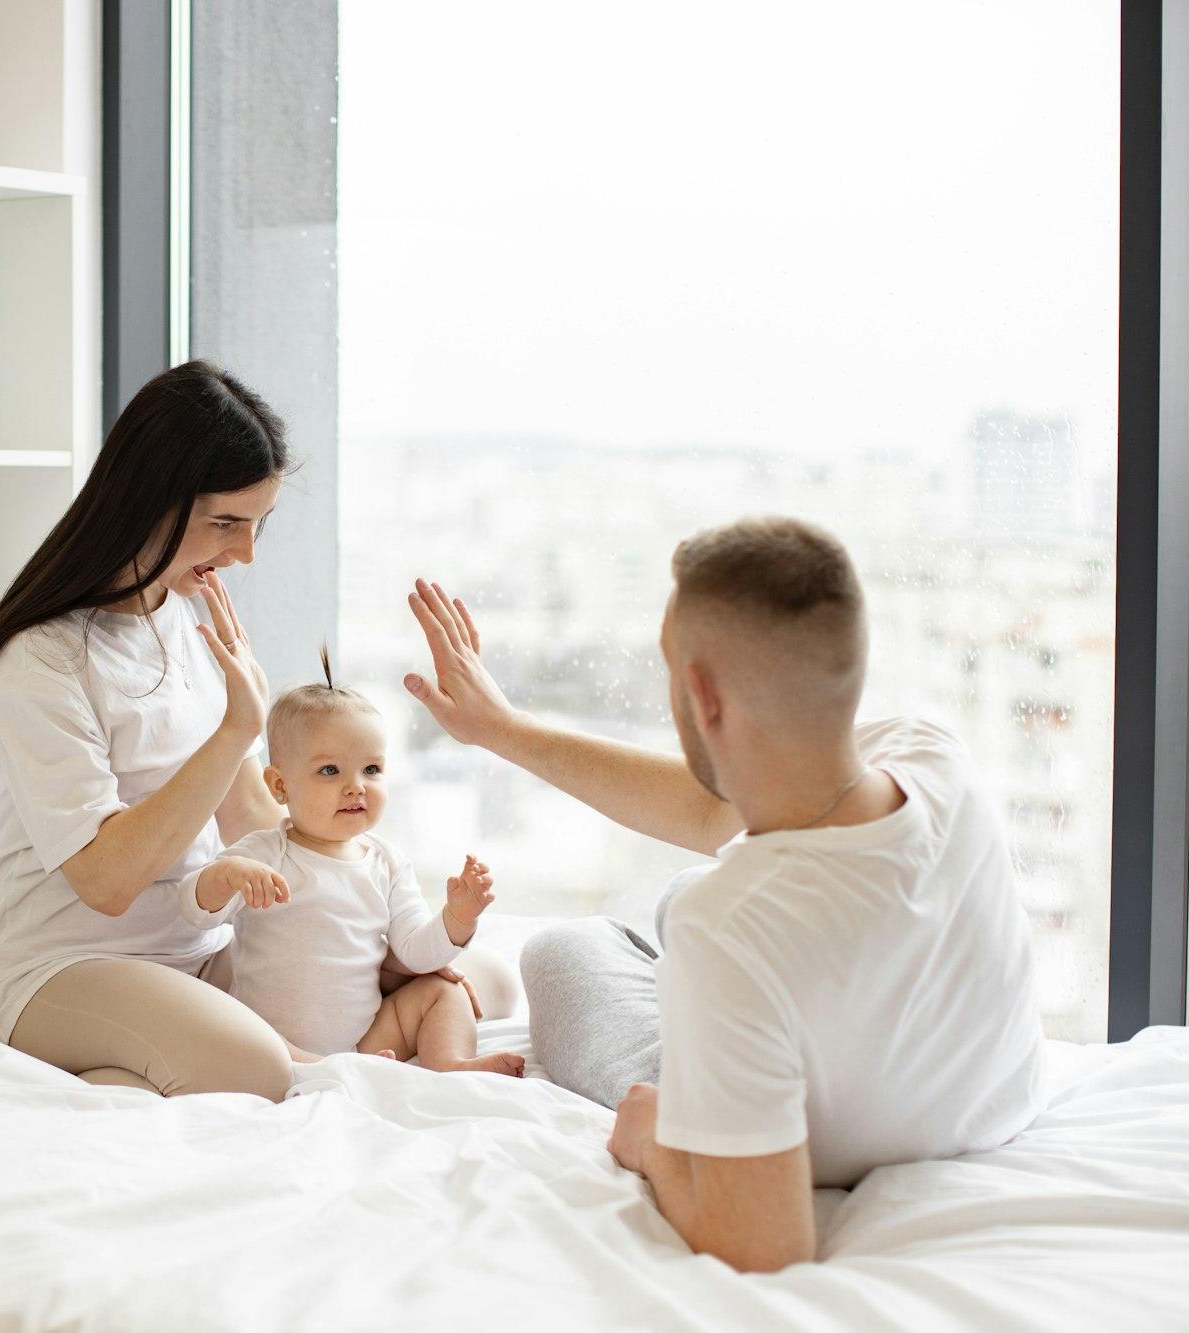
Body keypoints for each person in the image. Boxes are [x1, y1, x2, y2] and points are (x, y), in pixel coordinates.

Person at [400, 517, 1044, 1272]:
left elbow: (762, 1243)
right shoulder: (931, 751)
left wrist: (650, 1138)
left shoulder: (731, 926)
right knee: (690, 890)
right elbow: (713, 812)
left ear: (701, 694)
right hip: (968, 1091)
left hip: (802, 1118)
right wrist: (505, 730)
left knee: (565, 948)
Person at [0, 361, 506, 1102]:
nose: (245, 553)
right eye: (225, 523)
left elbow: (251, 816)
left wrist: (366, 923)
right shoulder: (43, 658)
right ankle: (285, 1075)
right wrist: (235, 727)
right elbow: (106, 880)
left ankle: (149, 1069)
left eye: (257, 525)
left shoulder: (183, 622)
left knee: (482, 977)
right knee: (255, 1066)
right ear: (146, 498)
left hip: (202, 947)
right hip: (66, 963)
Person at [177, 660, 526, 1076]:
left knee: (443, 990)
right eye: (330, 770)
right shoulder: (266, 854)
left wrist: (457, 918)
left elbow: (416, 952)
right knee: (234, 1033)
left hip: (366, 1040)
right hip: (273, 1040)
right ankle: (323, 1069)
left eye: (371, 769)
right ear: (280, 786)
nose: (356, 785)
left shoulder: (388, 863)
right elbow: (195, 912)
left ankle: (450, 1064)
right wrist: (224, 876)